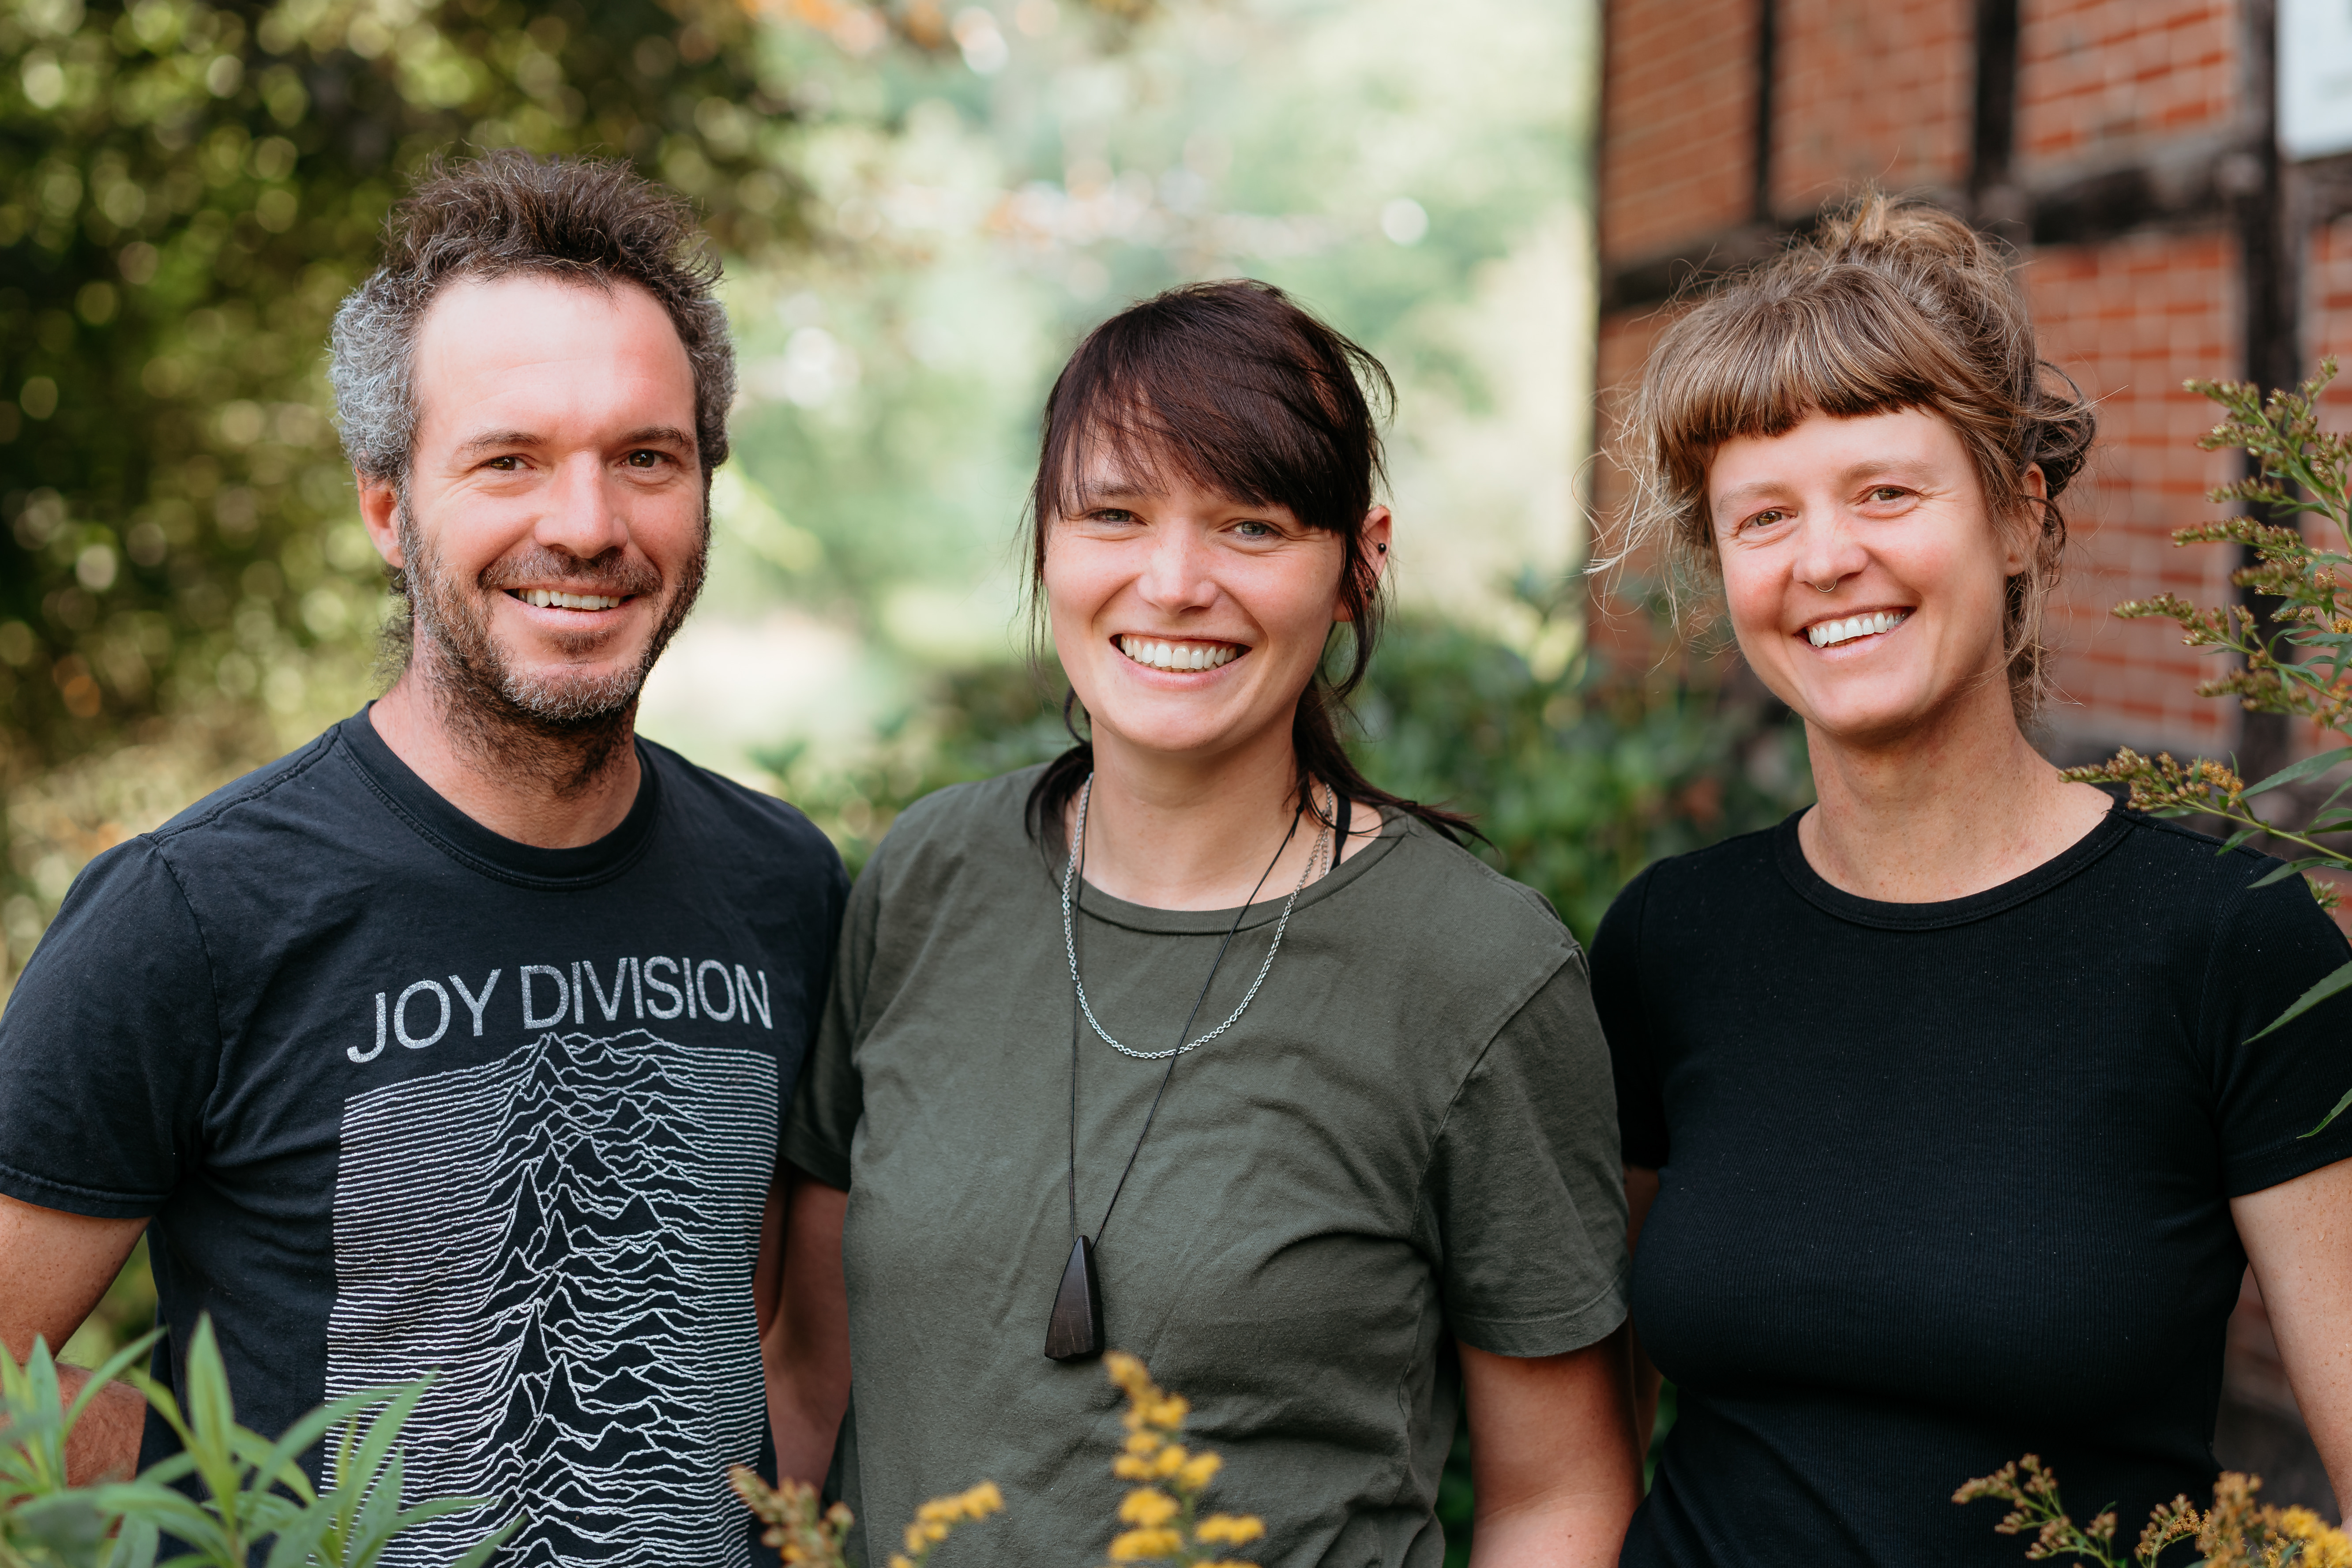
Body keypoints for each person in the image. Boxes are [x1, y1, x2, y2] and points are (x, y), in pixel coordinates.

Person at [0, 152, 846, 1567]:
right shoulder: (192, 912)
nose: (585, 524)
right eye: (509, 459)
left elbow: (751, 1327)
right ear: (389, 509)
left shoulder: (782, 882)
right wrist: (238, 1515)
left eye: (646, 457)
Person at [765, 280, 1638, 1566]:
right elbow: (808, 1378)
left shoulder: (1476, 972)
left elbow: (1558, 1496)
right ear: (1047, 542)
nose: (1173, 583)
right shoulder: (927, 878)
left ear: (1359, 564)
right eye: (1114, 515)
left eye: (1251, 525)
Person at [1593, 195, 2352, 1566]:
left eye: (1884, 492)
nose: (1825, 558)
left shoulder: (2227, 943)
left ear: (2015, 517)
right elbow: (1586, 1444)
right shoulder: (1669, 941)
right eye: (1763, 515)